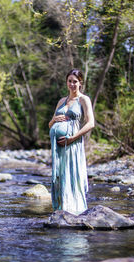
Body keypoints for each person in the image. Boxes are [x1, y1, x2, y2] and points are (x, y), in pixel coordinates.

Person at [48, 69, 95, 215]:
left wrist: (73, 138)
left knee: (71, 173)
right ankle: (61, 207)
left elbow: (90, 123)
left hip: (72, 144)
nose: (72, 84)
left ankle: (75, 208)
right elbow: (50, 125)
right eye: (70, 81)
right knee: (60, 175)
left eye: (75, 81)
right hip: (58, 147)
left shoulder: (83, 99)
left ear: (80, 83)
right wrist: (54, 119)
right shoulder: (61, 101)